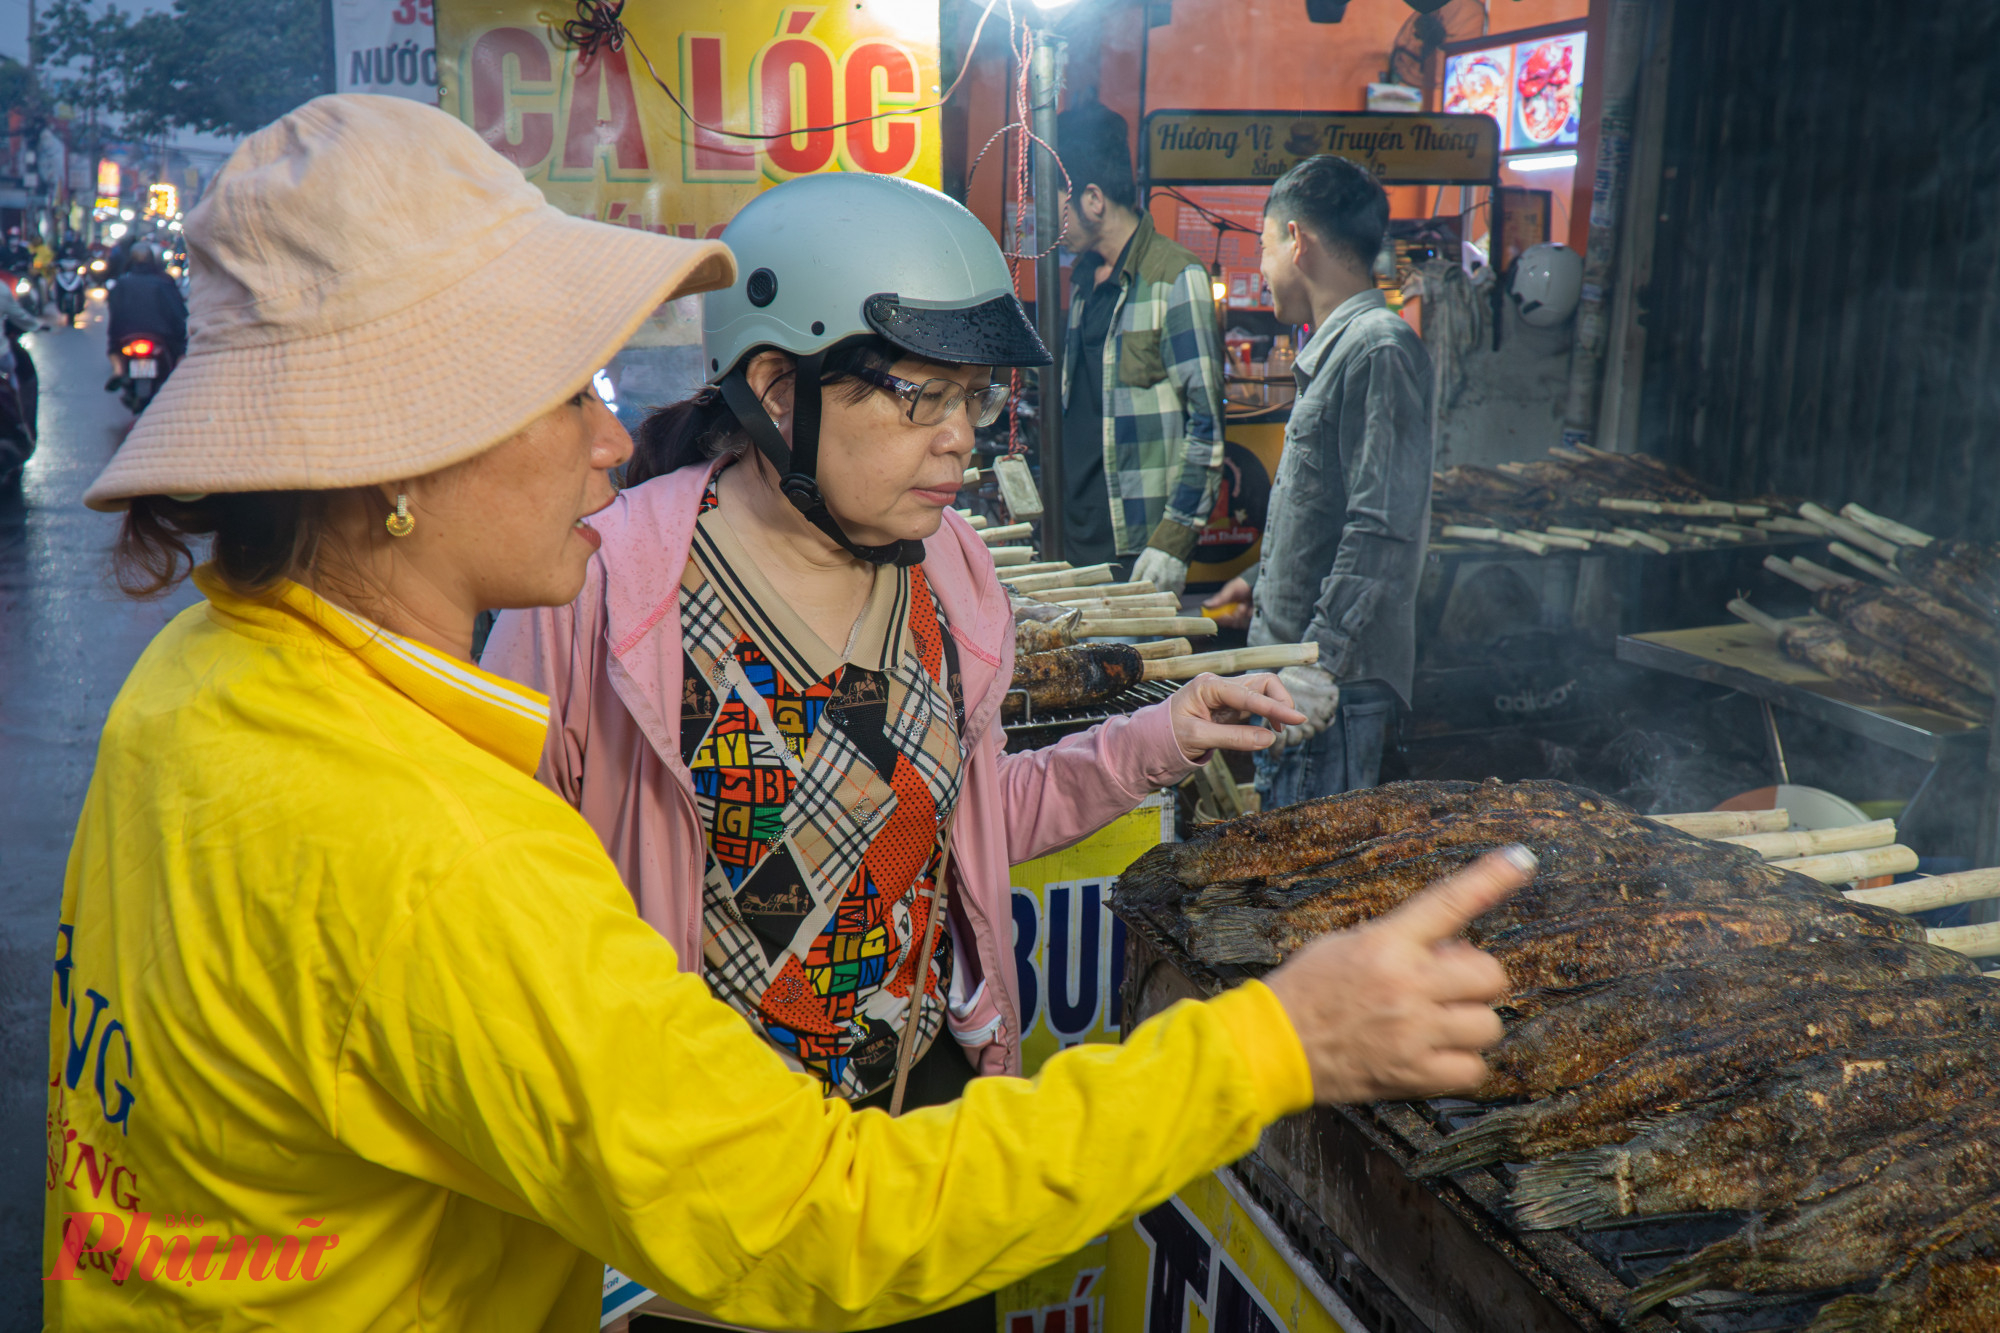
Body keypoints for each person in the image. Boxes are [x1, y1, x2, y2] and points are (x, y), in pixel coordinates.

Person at [49, 96, 1521, 1330]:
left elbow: (947, 828)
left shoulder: (199, 690)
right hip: (721, 1220)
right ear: (401, 455)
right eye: (566, 393)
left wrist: (1154, 738)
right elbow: (816, 1215)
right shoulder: (455, 836)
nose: (612, 433)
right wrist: (1277, 1039)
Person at [483, 173, 1305, 1332]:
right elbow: (505, 914)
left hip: (920, 1154)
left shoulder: (952, 571)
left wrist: (1159, 737)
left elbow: (955, 829)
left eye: (972, 399)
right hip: (692, 1204)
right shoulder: (600, 586)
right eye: (920, 397)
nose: (959, 440)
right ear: (778, 386)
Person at [1204, 155, 1436, 809]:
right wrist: (1260, 585)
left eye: (1263, 245)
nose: (1263, 266)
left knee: (1309, 905)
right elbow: (1328, 512)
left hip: (1332, 701)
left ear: (1298, 241)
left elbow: (1381, 530)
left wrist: (1319, 666)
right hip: (1297, 685)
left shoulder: (1377, 350)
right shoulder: (1340, 349)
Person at [1052, 100, 1227, 591]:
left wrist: (1173, 540)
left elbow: (1207, 428)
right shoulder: (1082, 280)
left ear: (1092, 199)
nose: (1050, 216)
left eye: (1056, 199)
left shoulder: (1176, 278)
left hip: (1136, 549)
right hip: (1073, 544)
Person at [106, 240, 188, 365]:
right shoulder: (164, 282)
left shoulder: (122, 283)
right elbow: (177, 311)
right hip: (162, 334)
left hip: (125, 333)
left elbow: (114, 311)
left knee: (113, 347)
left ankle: (118, 370)